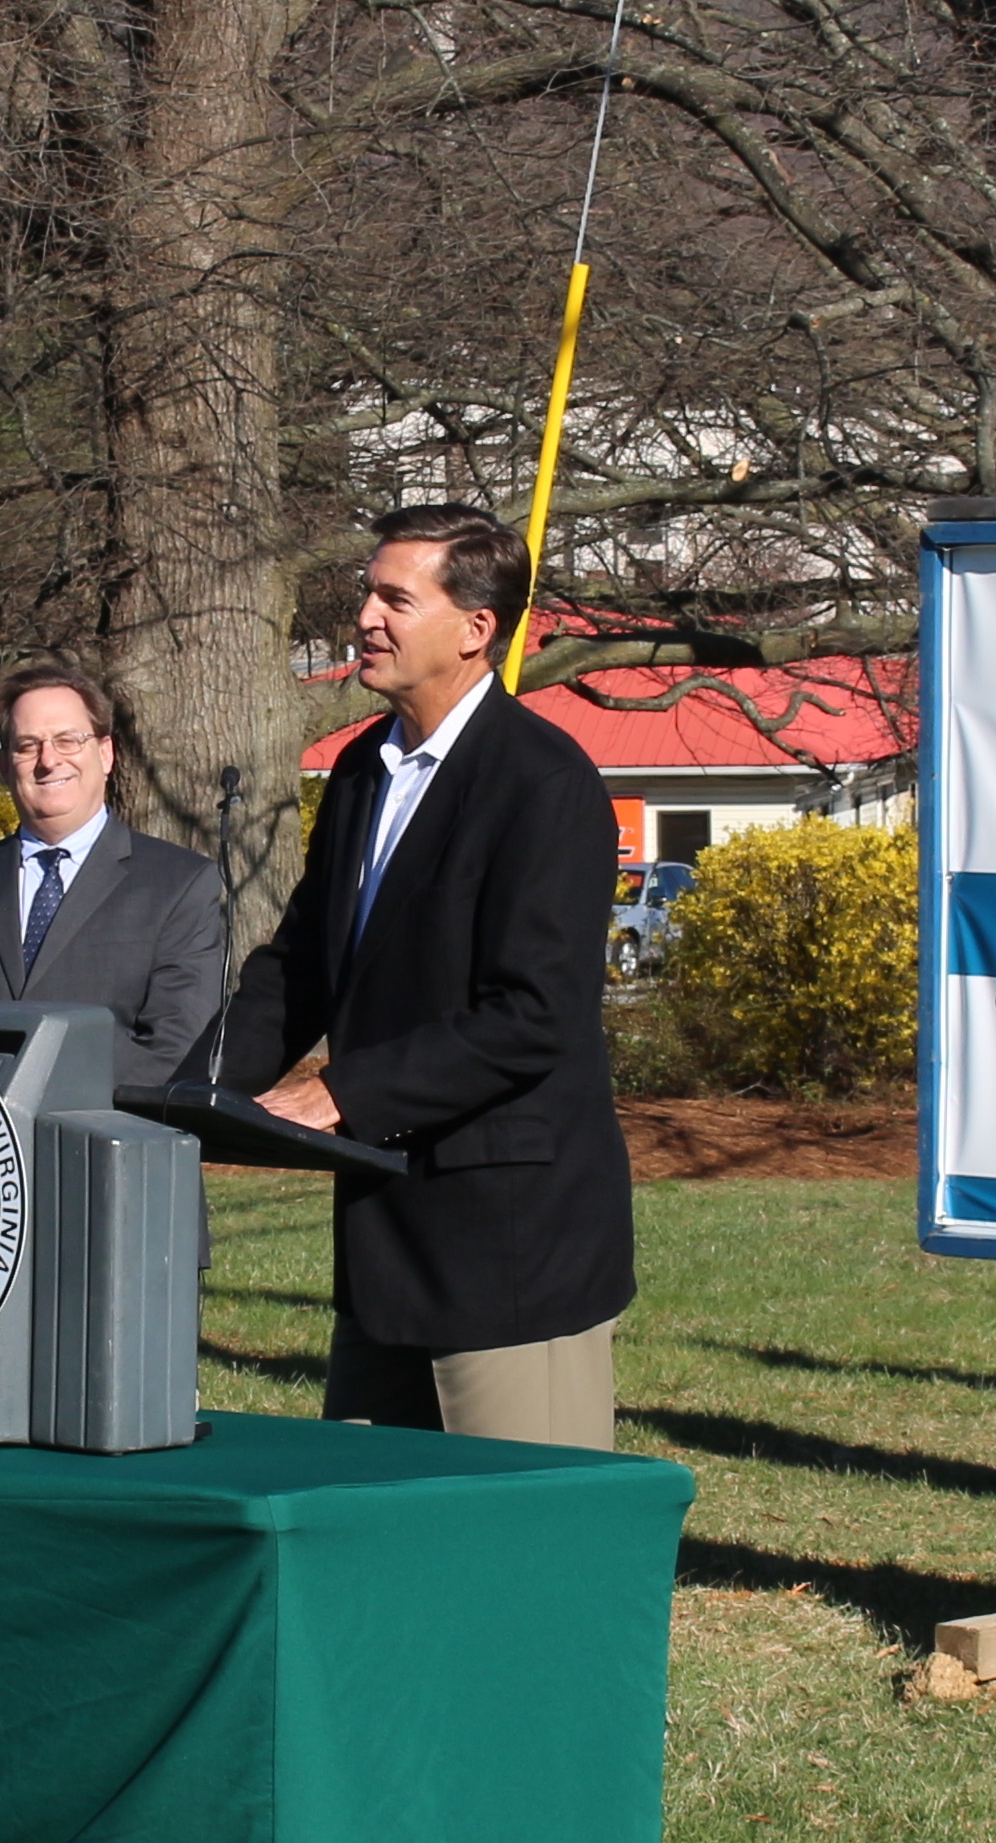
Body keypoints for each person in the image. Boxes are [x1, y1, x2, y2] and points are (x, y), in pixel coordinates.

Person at [217, 504, 634, 1449]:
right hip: (383, 1241)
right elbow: (300, 966)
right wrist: (195, 1090)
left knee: (517, 1541)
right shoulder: (364, 768)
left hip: (511, 1247)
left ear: (475, 629)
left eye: (395, 598)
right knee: (366, 1528)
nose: (366, 615)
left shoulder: (544, 783)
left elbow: (534, 1015)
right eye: (368, 591)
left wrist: (339, 1093)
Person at [0, 655, 227, 1089]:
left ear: (106, 754)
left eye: (68, 740)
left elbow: (175, 1051)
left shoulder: (179, 884)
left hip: (106, 1140)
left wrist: (28, 1084)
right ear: (6, 765)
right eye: (28, 746)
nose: (49, 760)